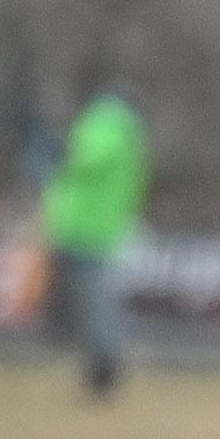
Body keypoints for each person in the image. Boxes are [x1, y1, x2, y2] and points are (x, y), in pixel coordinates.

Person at [42, 73, 150, 399]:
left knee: (92, 304)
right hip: (107, 227)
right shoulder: (133, 134)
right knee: (97, 302)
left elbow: (80, 162)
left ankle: (103, 369)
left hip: (82, 228)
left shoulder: (103, 126)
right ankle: (101, 367)